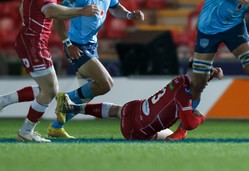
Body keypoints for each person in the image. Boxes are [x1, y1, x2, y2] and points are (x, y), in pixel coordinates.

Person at [0, 0, 100, 142]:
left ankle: (3, 102)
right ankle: (26, 131)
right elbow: (50, 11)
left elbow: (22, 7)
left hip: (29, 39)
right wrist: (82, 11)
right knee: (51, 90)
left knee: (47, 89)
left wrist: (29, 24)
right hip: (34, 42)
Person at [47, 0, 145, 139]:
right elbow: (58, 14)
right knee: (106, 84)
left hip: (91, 46)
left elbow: (115, 8)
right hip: (76, 47)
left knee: (88, 95)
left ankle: (56, 126)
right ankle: (65, 99)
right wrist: (67, 43)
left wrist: (130, 15)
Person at [57, 60, 224, 140]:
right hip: (138, 132)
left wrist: (210, 76)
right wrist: (202, 117)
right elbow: (189, 123)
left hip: (135, 108)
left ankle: (74, 108)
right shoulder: (184, 96)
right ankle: (176, 136)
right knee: (182, 126)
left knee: (117, 110)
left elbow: (197, 84)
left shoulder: (181, 80)